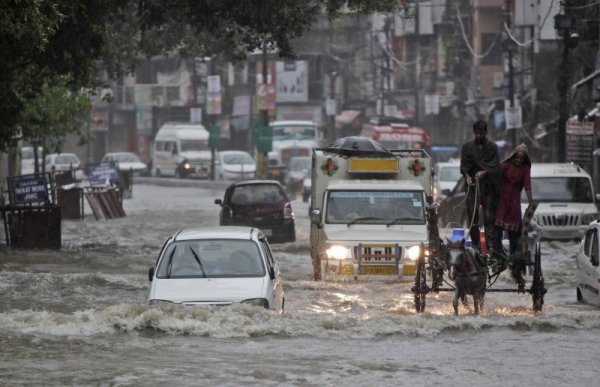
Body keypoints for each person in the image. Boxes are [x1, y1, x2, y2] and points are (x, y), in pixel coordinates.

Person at [459, 120, 501, 253]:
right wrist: (467, 176)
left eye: (481, 133)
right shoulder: (467, 147)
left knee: (489, 216)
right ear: (473, 132)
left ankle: (491, 246)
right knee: (473, 216)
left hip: (488, 187)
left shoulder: (492, 147)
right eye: (476, 133)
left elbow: (495, 165)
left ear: (485, 132)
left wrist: (485, 171)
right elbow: (464, 166)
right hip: (471, 186)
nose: (478, 136)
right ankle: (476, 245)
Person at [494, 143, 533, 256]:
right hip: (502, 200)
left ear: (525, 159)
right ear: (513, 156)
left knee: (514, 231)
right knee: (498, 229)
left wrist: (531, 201)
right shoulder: (506, 165)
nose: (519, 160)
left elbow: (527, 185)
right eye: (517, 157)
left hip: (514, 201)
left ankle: (514, 255)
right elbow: (495, 172)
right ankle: (498, 253)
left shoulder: (525, 169)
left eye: (522, 158)